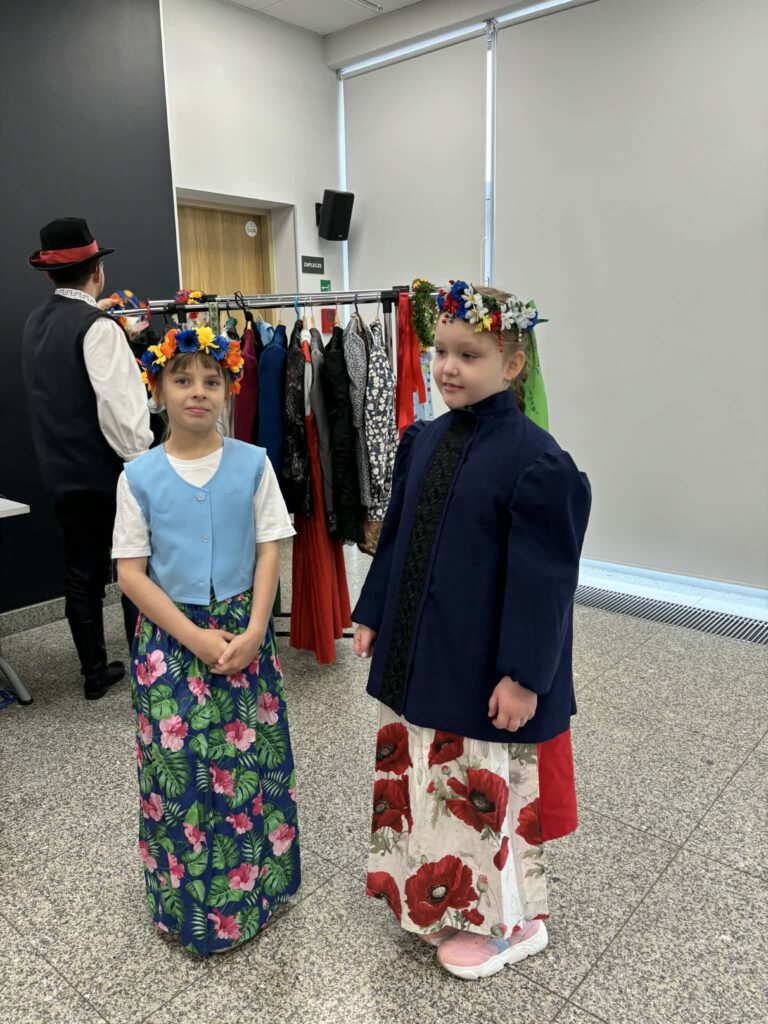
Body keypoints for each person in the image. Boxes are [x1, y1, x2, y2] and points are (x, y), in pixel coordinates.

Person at [353, 280, 591, 980]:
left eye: (470, 355)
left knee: (485, 788)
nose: (448, 367)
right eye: (440, 352)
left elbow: (545, 584)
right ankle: (450, 901)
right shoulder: (425, 440)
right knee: (433, 776)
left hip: (486, 668)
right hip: (424, 655)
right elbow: (396, 539)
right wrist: (373, 611)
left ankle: (513, 923)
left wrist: (524, 676)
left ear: (512, 364)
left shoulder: (535, 460)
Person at [113, 324, 300, 956]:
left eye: (212, 381)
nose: (198, 391)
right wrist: (193, 636)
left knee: (250, 763)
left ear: (228, 390)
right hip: (170, 642)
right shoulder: (137, 477)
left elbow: (270, 549)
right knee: (182, 774)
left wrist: (257, 630)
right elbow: (131, 573)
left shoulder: (254, 464)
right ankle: (188, 905)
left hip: (245, 630)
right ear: (157, 390)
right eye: (182, 379)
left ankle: (257, 890)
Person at [23, 217, 153, 699]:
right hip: (109, 472)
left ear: (48, 274)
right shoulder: (99, 328)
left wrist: (105, 322)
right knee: (133, 570)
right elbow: (121, 412)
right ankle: (147, 670)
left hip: (60, 471)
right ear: (97, 271)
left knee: (81, 575)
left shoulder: (36, 322)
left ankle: (94, 673)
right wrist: (142, 463)